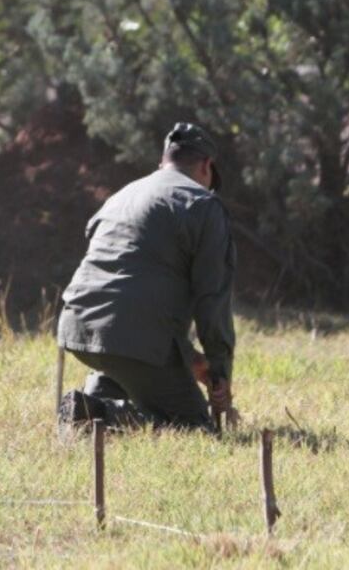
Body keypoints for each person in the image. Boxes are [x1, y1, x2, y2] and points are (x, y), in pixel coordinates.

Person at [56, 122, 236, 432]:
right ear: (206, 166)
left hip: (77, 327)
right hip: (134, 339)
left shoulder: (122, 195)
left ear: (163, 162)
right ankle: (99, 414)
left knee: (129, 363)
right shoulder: (203, 205)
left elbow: (125, 285)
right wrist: (220, 373)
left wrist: (190, 359)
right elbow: (212, 300)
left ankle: (97, 397)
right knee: (194, 429)